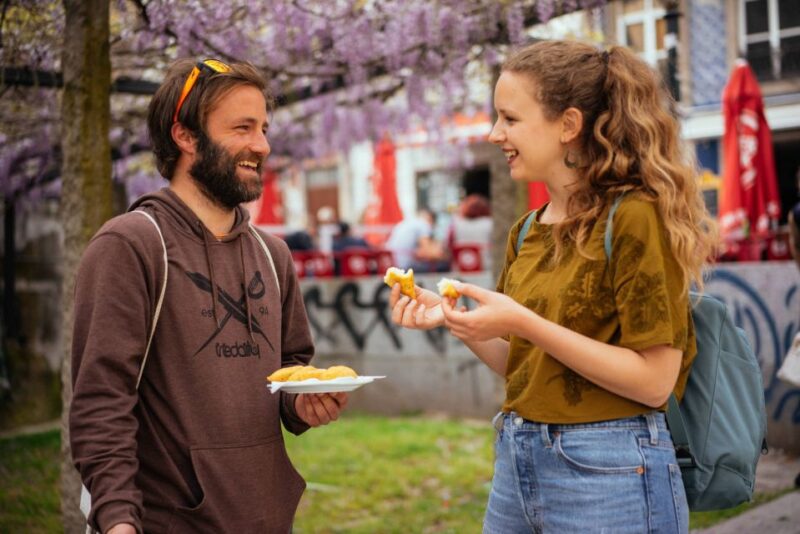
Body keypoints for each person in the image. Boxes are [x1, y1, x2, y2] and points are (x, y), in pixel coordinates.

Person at [389, 40, 717, 533]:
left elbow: (654, 382)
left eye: (510, 118)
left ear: (568, 125)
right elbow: (527, 367)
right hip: (517, 461)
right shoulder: (526, 230)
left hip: (610, 472)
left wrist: (523, 322)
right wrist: (457, 320)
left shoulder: (634, 217)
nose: (494, 133)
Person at [69, 59, 348, 534]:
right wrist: (116, 519)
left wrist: (302, 404)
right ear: (185, 136)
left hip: (267, 519)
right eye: (242, 128)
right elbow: (102, 402)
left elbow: (290, 370)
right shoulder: (130, 246)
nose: (261, 145)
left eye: (263, 129)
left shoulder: (273, 255)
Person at [447, 193, 493, 270]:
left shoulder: (455, 224)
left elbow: (448, 246)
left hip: (460, 268)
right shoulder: (490, 223)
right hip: (486, 267)